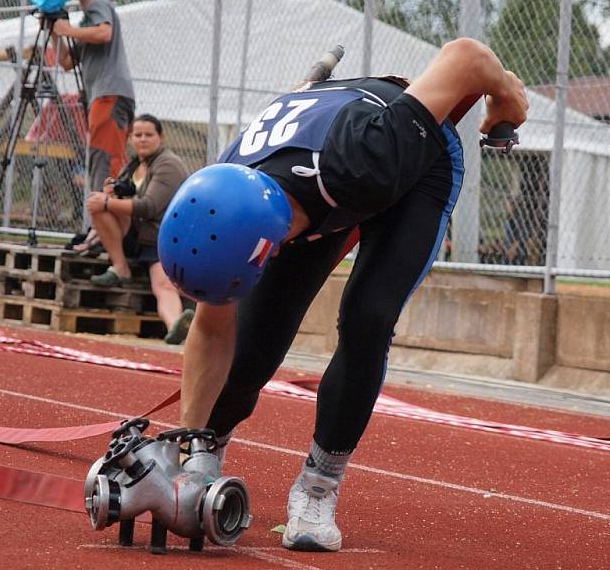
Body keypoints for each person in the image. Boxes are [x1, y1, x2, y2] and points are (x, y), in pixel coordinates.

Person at [157, 38, 528, 551]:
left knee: (367, 318)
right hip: (316, 177)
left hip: (410, 166)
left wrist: (507, 98)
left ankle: (318, 486)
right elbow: (211, 329)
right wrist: (189, 449)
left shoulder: (366, 158)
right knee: (251, 351)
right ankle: (210, 452)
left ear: (274, 241)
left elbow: (466, 55)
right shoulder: (225, 198)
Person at [86, 114, 194, 345]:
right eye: (138, 135)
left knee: (163, 283)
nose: (142, 140)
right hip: (137, 236)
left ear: (161, 137)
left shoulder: (168, 164)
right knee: (98, 205)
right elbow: (124, 199)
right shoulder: (134, 164)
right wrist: (111, 194)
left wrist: (108, 202)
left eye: (148, 135)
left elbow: (149, 207)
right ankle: (120, 267)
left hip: (162, 238)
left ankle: (176, 326)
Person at [52, 0, 136, 250]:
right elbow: (65, 62)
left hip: (109, 93)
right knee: (101, 160)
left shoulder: (100, 9)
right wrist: (56, 28)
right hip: (104, 95)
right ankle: (98, 230)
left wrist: (69, 30)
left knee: (108, 161)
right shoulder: (87, 20)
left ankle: (104, 234)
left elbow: (104, 33)